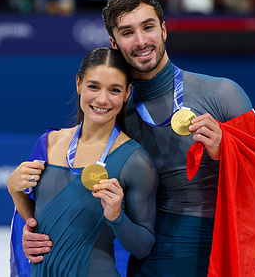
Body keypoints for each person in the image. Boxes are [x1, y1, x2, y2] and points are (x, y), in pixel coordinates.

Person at [21, 0, 255, 277]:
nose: (141, 41)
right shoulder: (111, 109)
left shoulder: (223, 94)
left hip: (212, 254)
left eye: (148, 27)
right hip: (141, 256)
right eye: (127, 32)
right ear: (114, 42)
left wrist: (228, 150)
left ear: (163, 29)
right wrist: (34, 229)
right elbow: (71, 181)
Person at [8, 47, 159, 276]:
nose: (102, 99)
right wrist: (15, 190)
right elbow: (37, 223)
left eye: (114, 90)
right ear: (79, 84)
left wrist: (117, 217)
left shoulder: (136, 162)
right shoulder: (49, 143)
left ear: (127, 92)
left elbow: (143, 246)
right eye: (93, 86)